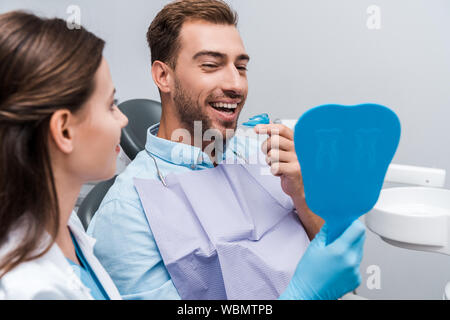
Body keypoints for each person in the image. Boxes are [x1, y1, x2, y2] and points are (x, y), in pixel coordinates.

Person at [88, 0, 366, 300]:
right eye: (211, 65)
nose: (236, 84)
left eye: (241, 67)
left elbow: (342, 270)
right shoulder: (127, 213)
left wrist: (305, 196)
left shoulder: (264, 150)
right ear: (163, 76)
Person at [0, 11, 128, 299]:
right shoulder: (29, 288)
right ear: (64, 130)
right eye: (111, 105)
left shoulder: (62, 222)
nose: (124, 120)